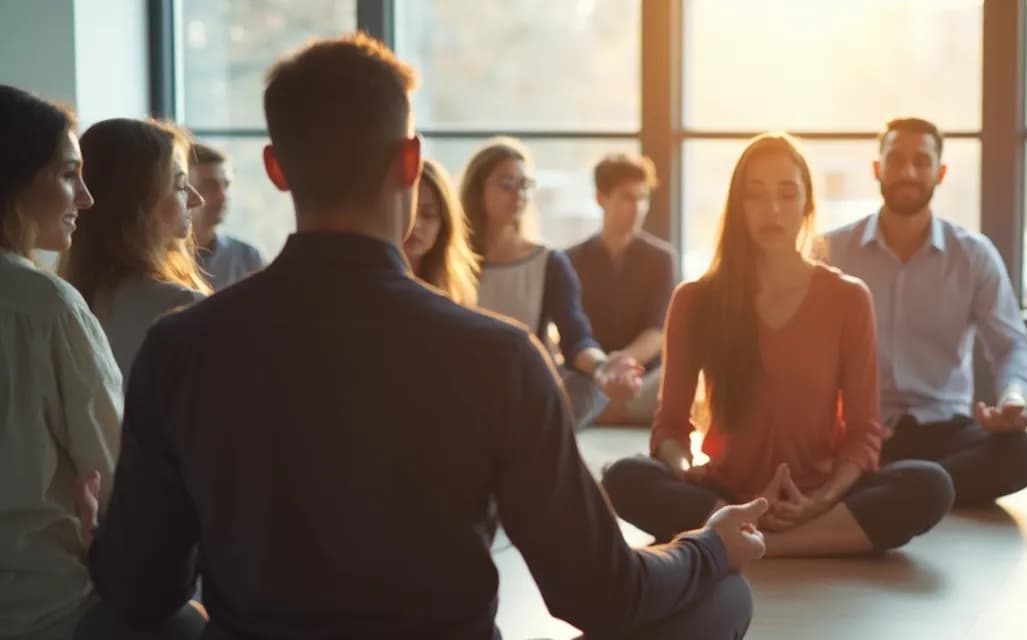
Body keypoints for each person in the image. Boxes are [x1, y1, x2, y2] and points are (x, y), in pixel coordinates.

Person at [87, 33, 762, 639]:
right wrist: (709, 547)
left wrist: (108, 533)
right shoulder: (498, 356)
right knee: (724, 596)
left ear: (277, 169)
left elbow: (142, 591)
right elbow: (601, 593)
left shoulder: (180, 348)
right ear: (411, 163)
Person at [603, 133, 953, 557]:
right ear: (738, 206)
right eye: (755, 195)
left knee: (930, 484)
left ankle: (750, 543)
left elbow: (863, 433)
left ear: (806, 204)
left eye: (787, 194)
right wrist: (685, 469)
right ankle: (747, 530)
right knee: (624, 476)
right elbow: (670, 428)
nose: (772, 209)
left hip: (820, 494)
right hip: (724, 494)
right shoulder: (696, 299)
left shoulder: (848, 298)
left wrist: (821, 500)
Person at [0, 84, 204, 640]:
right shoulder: (46, 307)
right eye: (68, 174)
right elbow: (117, 477)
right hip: (51, 604)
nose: (86, 199)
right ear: (15, 178)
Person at [822, 117, 1027, 508]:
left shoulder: (972, 255)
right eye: (896, 160)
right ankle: (918, 490)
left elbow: (1012, 347)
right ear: (877, 168)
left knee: (1022, 453)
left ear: (940, 173)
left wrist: (1013, 398)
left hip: (946, 430)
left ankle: (899, 489)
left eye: (922, 162)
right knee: (815, 455)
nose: (908, 172)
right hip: (860, 430)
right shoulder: (832, 251)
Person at [461, 137, 641, 429]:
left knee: (586, 388)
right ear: (478, 188)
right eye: (506, 184)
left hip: (525, 389)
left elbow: (576, 338)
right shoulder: (454, 259)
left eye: (525, 184)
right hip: (467, 386)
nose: (518, 194)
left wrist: (603, 366)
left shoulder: (549, 262)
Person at [59, 118, 212, 379]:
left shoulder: (67, 300)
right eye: (180, 185)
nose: (197, 199)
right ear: (137, 202)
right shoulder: (182, 306)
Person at [566, 152, 678, 425]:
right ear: (601, 198)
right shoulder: (571, 259)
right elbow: (570, 333)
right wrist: (601, 367)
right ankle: (611, 410)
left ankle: (600, 411)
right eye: (628, 197)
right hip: (589, 373)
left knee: (672, 381)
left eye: (643, 198)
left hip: (642, 375)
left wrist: (617, 366)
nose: (637, 208)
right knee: (560, 382)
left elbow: (658, 331)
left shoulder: (662, 258)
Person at [188, 142, 264, 289]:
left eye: (226, 185)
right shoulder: (161, 259)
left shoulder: (248, 259)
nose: (223, 196)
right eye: (210, 185)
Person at [404, 158, 479, 306]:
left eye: (428, 215)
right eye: (408, 213)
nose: (415, 225)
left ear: (444, 224)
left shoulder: (454, 293)